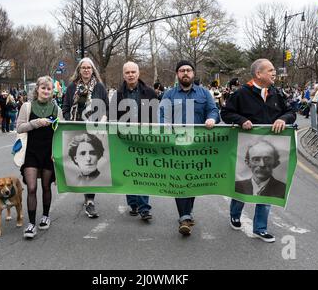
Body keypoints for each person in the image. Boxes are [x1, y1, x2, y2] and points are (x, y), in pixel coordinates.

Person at [221, 58, 296, 243]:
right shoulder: (241, 94)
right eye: (270, 70)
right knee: (244, 183)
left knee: (267, 187)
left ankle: (260, 228)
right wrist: (240, 120)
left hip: (272, 148)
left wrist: (283, 119)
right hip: (246, 148)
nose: (274, 73)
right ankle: (235, 214)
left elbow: (291, 112)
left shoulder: (276, 93)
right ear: (258, 74)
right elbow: (226, 113)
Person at [159, 60, 220, 236]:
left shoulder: (204, 93)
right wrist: (166, 125)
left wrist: (212, 119)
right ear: (177, 74)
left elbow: (213, 110)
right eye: (182, 70)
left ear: (193, 73)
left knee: (192, 179)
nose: (185, 73)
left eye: (188, 70)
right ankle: (184, 216)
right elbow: (161, 115)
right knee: (180, 178)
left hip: (197, 146)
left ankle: (187, 212)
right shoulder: (169, 95)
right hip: (176, 144)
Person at [110, 61, 157, 221]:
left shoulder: (149, 92)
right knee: (129, 171)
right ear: (123, 75)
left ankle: (144, 208)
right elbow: (112, 117)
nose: (130, 74)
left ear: (138, 73)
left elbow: (156, 116)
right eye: (127, 72)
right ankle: (133, 203)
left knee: (144, 172)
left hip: (144, 139)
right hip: (125, 140)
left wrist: (149, 125)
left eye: (133, 72)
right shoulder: (117, 95)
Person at [62, 58, 109, 218]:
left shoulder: (99, 87)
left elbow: (106, 108)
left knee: (92, 163)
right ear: (79, 70)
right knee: (80, 165)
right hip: (77, 129)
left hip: (94, 131)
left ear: (93, 70)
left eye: (89, 68)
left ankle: (90, 200)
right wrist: (71, 120)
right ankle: (85, 193)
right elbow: (66, 107)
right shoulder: (72, 87)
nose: (86, 70)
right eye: (83, 68)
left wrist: (102, 120)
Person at [17, 76, 63, 239]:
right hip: (31, 152)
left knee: (45, 187)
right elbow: (19, 128)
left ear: (52, 91)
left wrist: (56, 152)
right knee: (31, 188)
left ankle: (45, 216)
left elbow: (61, 133)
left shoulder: (56, 109)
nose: (45, 91)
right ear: (37, 89)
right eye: (43, 88)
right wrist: (35, 123)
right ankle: (31, 224)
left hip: (48, 153)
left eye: (49, 89)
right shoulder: (27, 107)